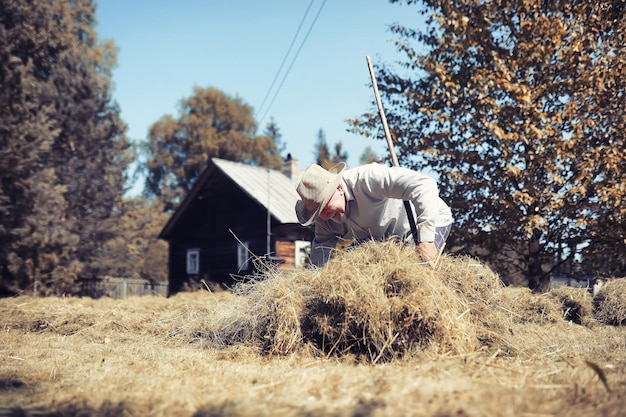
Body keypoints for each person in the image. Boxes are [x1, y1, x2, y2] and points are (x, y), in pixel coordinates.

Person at [295, 162, 453, 268]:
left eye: (324, 206)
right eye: (318, 212)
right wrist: (312, 285)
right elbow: (320, 252)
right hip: (383, 240)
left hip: (420, 226)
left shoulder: (368, 179)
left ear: (338, 189)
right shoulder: (324, 218)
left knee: (415, 275)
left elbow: (424, 185)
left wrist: (426, 240)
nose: (324, 217)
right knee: (353, 270)